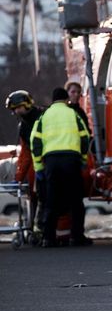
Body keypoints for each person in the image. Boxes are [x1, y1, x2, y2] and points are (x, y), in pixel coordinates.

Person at [30, 87, 92, 247]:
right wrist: (83, 159)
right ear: (66, 100)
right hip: (71, 160)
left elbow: (34, 141)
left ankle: (48, 238)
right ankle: (76, 237)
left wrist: (38, 167)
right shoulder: (73, 114)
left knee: (51, 200)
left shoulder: (45, 115)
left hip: (51, 161)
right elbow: (85, 137)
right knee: (75, 201)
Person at [5, 90, 44, 236]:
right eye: (14, 109)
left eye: (17, 108)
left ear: (26, 104)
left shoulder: (42, 117)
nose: (16, 112)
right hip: (38, 167)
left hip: (47, 164)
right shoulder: (25, 126)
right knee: (35, 198)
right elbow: (25, 154)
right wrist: (18, 178)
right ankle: (37, 231)